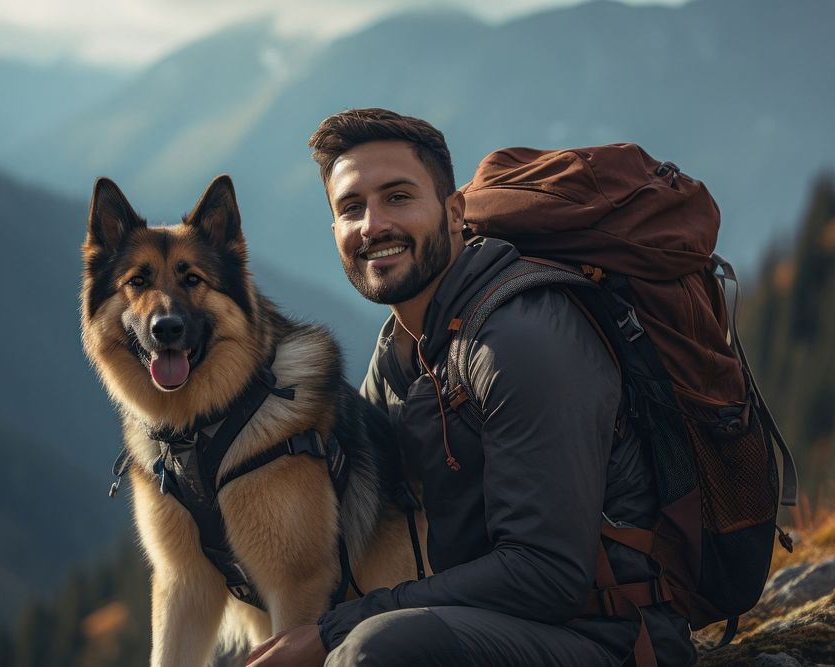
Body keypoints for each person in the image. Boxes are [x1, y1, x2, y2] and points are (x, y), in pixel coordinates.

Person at [246, 108, 696, 666]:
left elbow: (547, 575)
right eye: (351, 208)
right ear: (334, 230)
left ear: (454, 212)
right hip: (493, 628)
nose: (373, 225)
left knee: (371, 653)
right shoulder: (402, 349)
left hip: (610, 639)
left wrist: (337, 628)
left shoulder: (522, 339)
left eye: (398, 197)